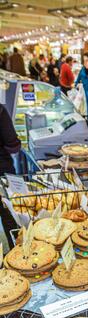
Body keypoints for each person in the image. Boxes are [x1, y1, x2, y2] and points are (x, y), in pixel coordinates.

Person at [0, 104, 21, 248]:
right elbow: (13, 145)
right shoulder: (0, 110)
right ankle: (18, 256)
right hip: (2, 171)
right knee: (10, 218)